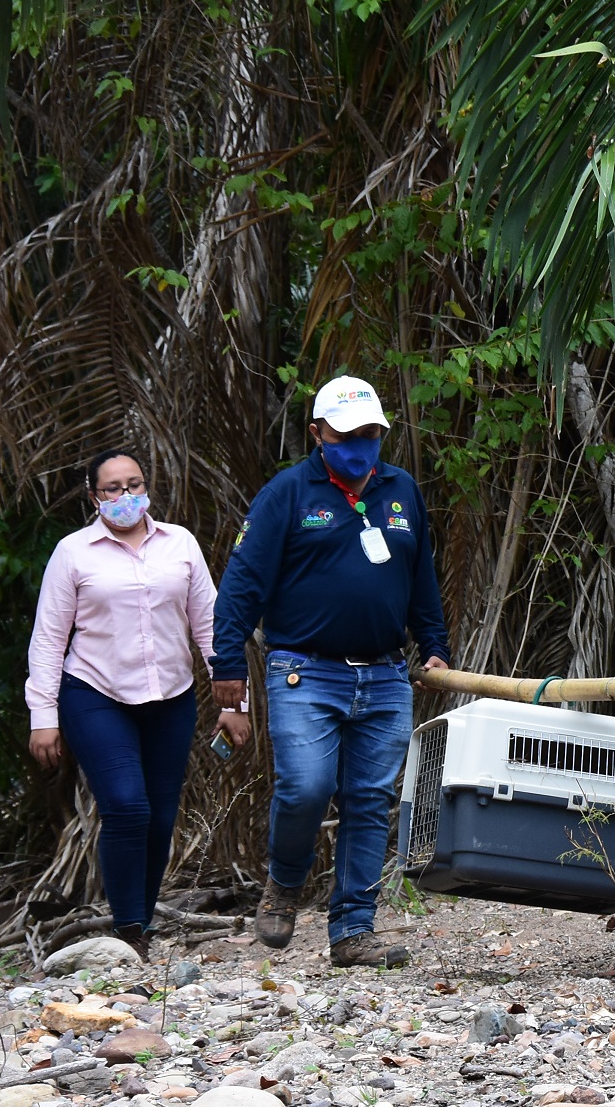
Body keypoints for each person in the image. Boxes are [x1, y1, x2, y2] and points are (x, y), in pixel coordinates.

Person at [211, 376, 450, 968]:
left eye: (370, 434)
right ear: (318, 434)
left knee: (370, 800)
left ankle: (352, 930)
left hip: (387, 674)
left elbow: (420, 579)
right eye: (346, 435)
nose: (359, 446)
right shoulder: (287, 494)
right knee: (307, 787)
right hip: (303, 672)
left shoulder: (402, 492)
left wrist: (435, 645)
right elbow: (242, 583)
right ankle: (285, 882)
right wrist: (226, 661)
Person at [26, 450, 233, 958]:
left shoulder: (179, 543)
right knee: (125, 805)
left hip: (172, 697)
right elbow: (50, 639)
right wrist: (43, 717)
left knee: (161, 816)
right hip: (95, 693)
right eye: (112, 489)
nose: (125, 497)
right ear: (94, 496)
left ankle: (141, 919)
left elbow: (208, 622)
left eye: (133, 485)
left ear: (147, 488)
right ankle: (130, 931)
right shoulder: (73, 553)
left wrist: (233, 698)